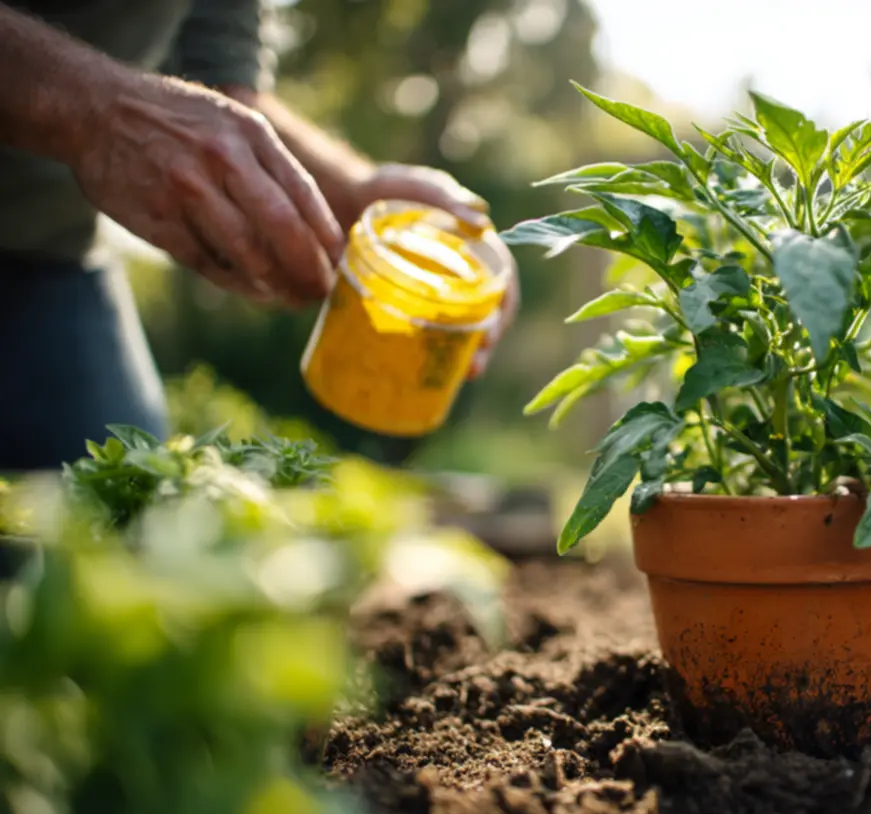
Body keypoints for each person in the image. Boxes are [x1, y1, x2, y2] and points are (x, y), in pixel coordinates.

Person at [0, 1, 519, 471]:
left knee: (129, 517)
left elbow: (222, 86)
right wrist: (94, 109)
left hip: (48, 247)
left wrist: (352, 189)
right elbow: (129, 109)